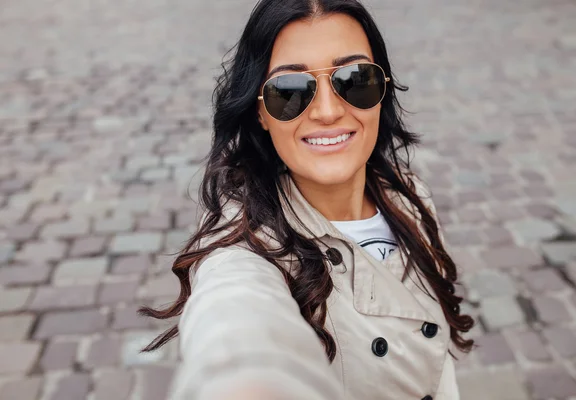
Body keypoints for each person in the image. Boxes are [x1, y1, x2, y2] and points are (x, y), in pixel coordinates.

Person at [140, 0, 474, 399]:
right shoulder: (247, 254)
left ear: (382, 89)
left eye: (354, 78)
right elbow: (237, 323)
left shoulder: (407, 194)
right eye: (290, 90)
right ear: (260, 112)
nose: (328, 111)